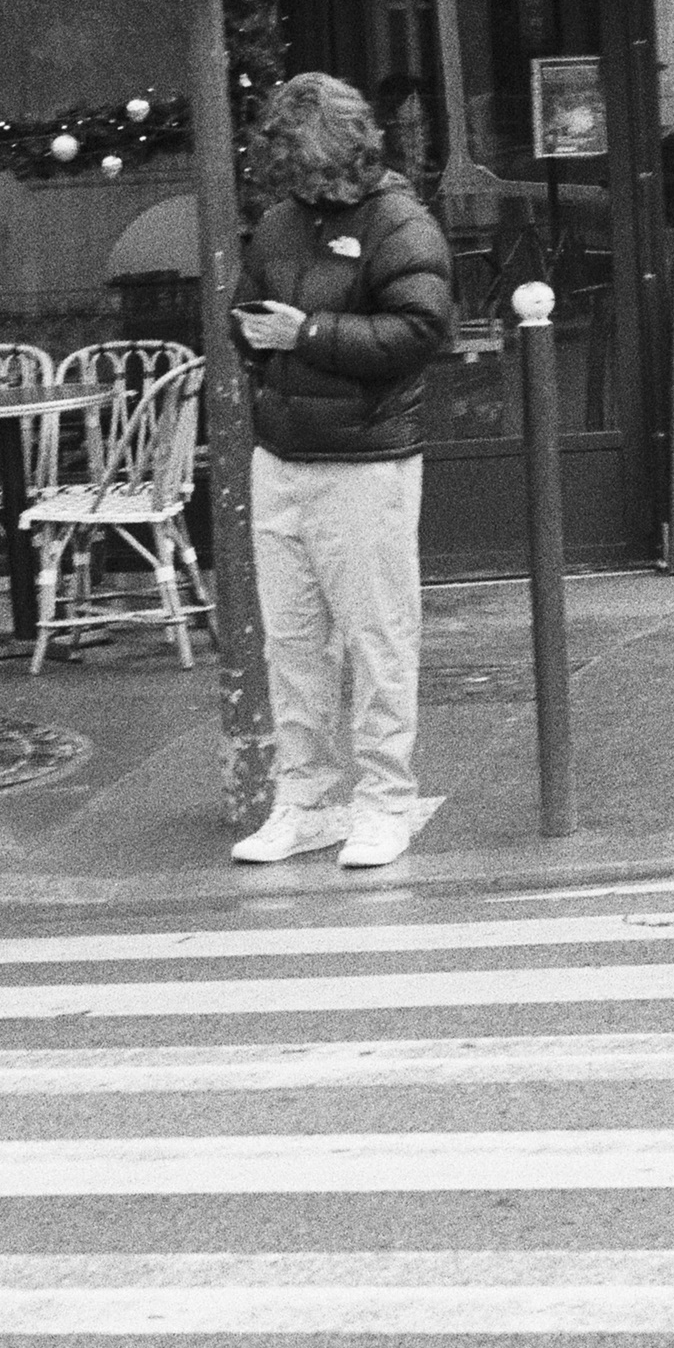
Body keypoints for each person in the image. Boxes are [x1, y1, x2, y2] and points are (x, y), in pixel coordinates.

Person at [226, 72, 455, 870]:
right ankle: (307, 802)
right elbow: (243, 313)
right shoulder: (280, 223)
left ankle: (385, 803)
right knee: (293, 646)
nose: (306, 183)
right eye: (294, 169)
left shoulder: (400, 222)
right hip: (283, 455)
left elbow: (422, 330)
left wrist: (306, 335)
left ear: (347, 151)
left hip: (366, 461)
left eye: (313, 165)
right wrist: (257, 334)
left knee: (377, 638)